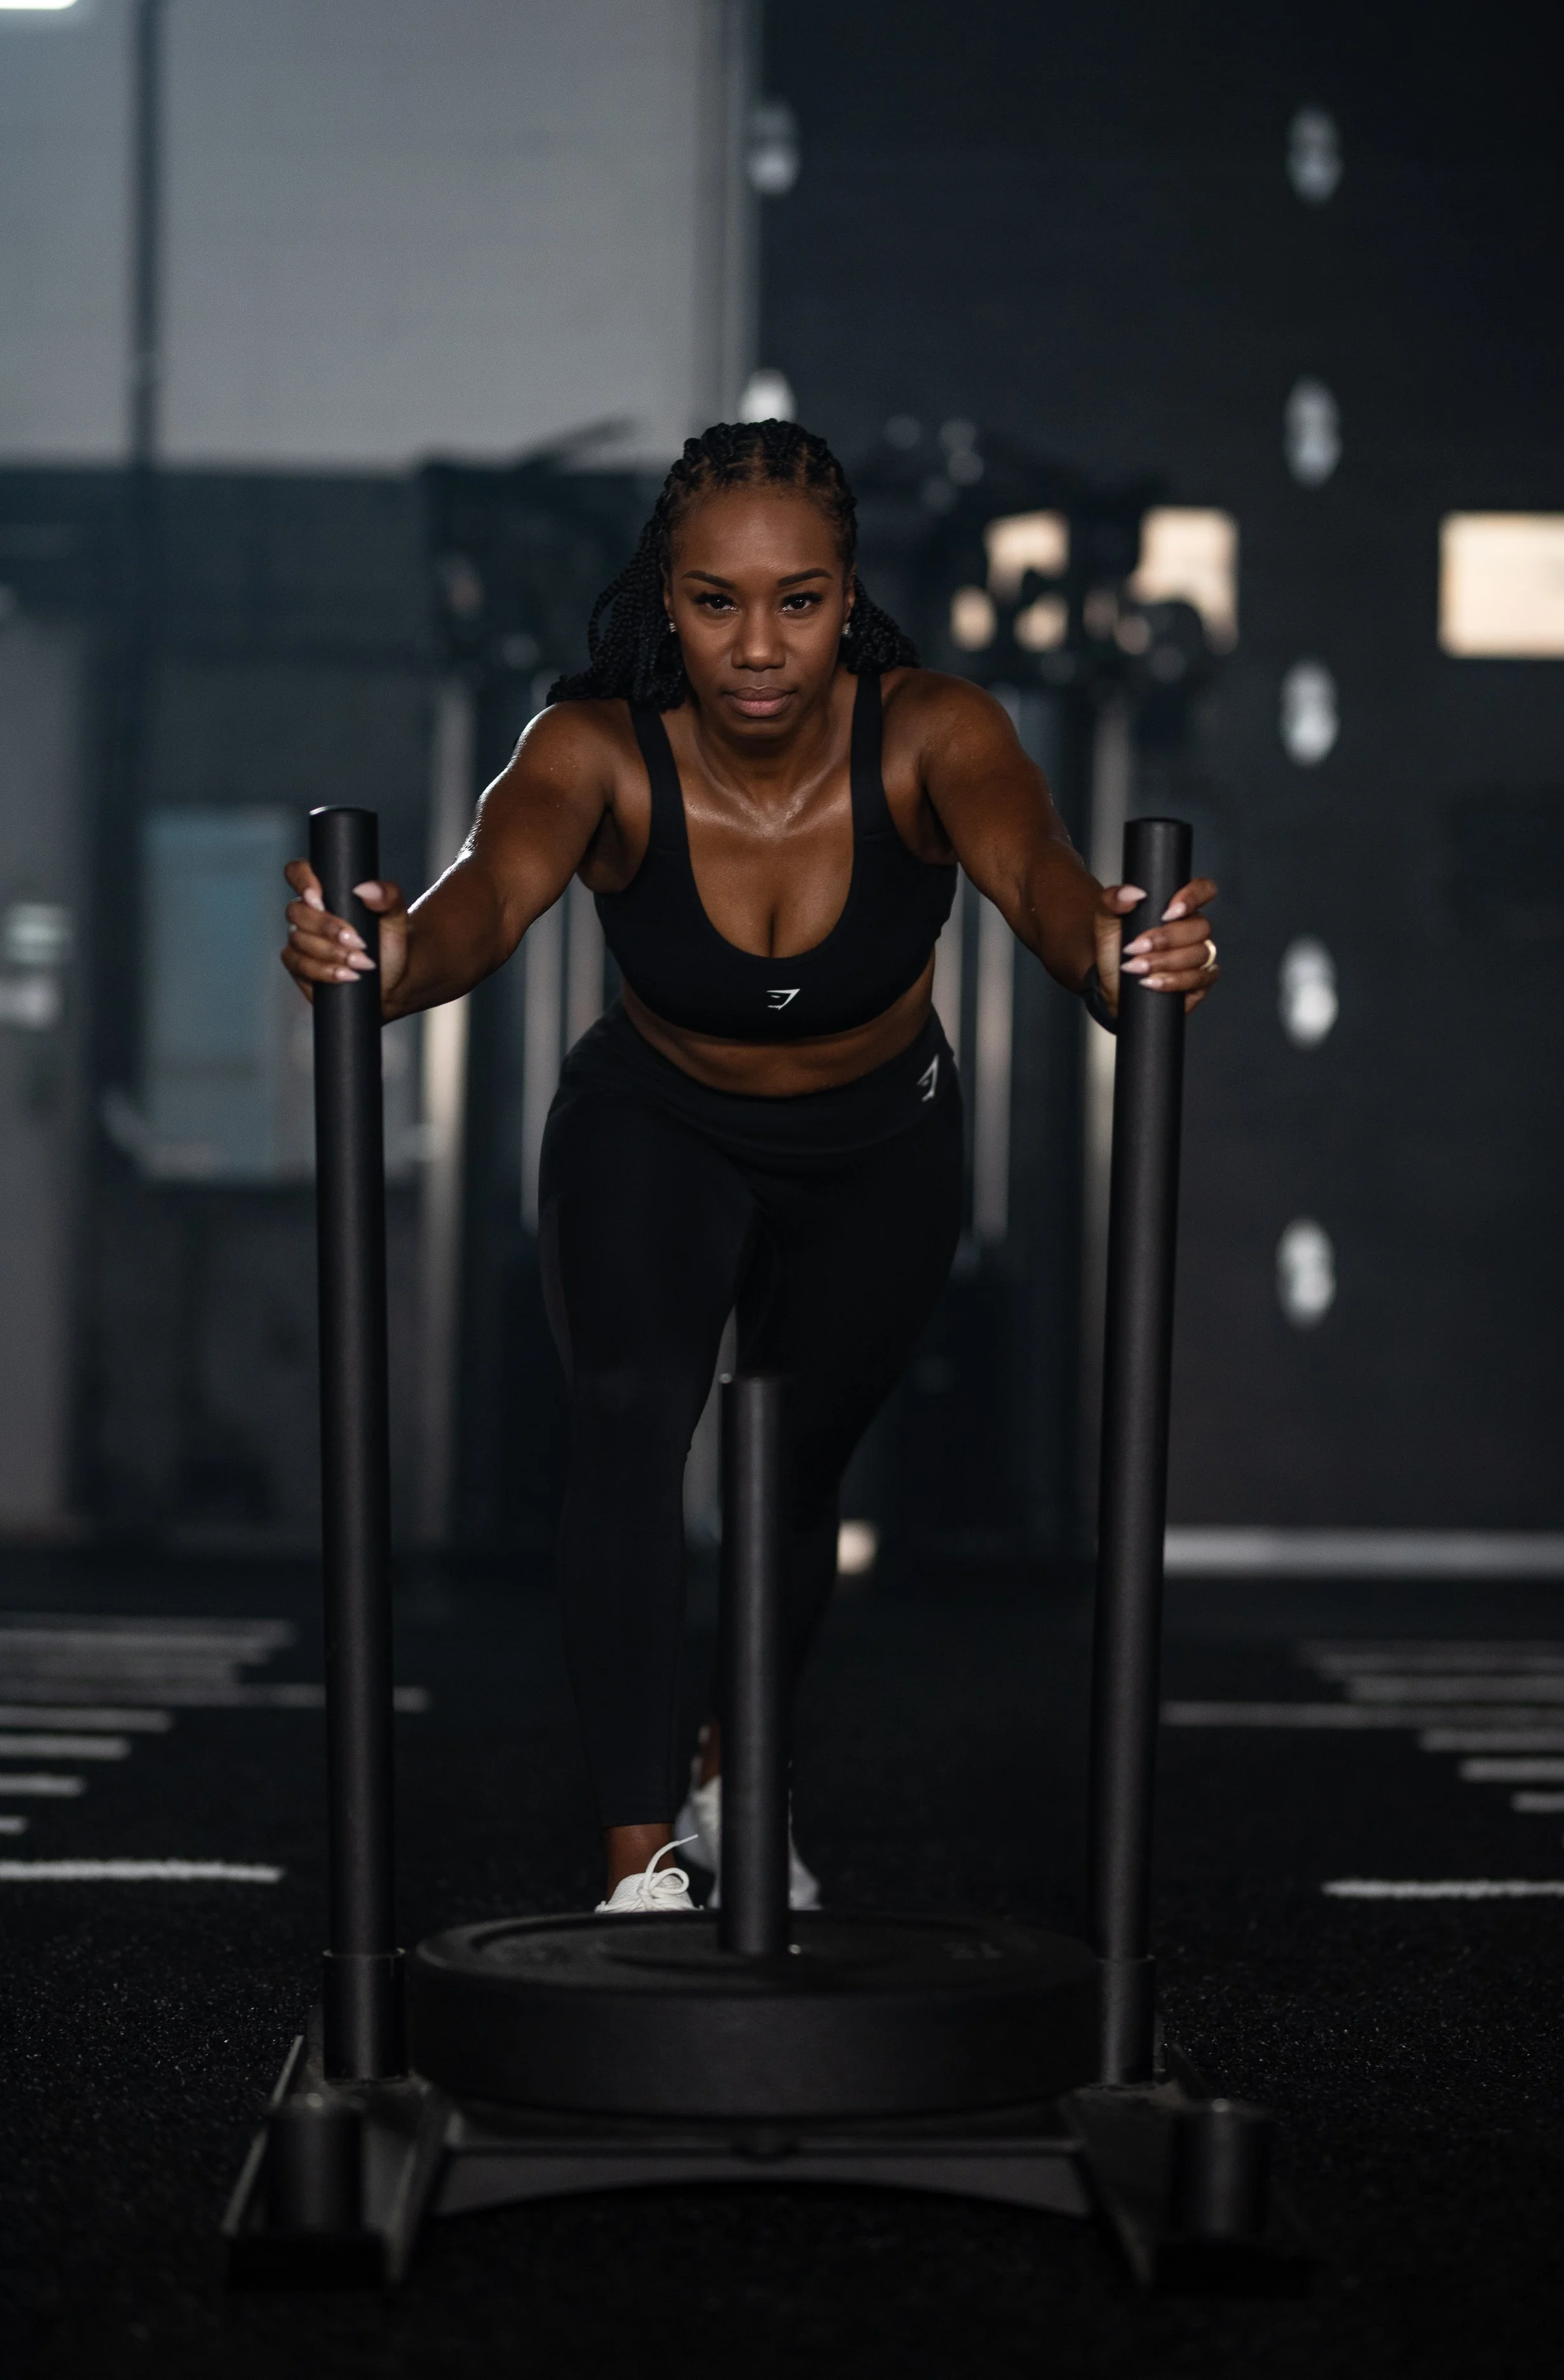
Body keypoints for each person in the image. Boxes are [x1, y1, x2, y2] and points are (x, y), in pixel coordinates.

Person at [281, 419, 1218, 1913]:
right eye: (716, 602)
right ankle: (638, 1861)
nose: (758, 645)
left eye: (797, 600)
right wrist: (383, 955)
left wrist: (1117, 953)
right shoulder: (593, 750)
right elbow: (478, 898)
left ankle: (737, 1773)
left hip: (879, 1152)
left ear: (849, 599)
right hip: (657, 1128)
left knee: (791, 1474)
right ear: (669, 603)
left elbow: (1040, 882)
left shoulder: (934, 731)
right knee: (629, 1416)